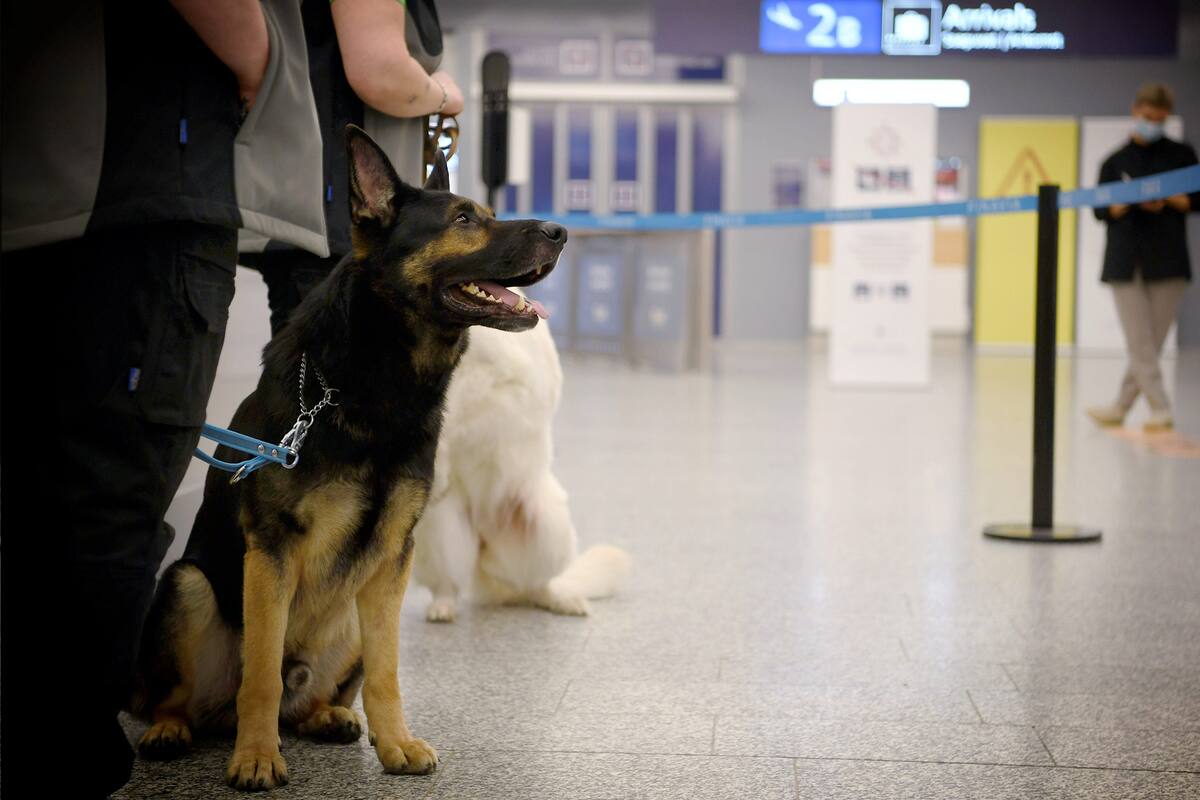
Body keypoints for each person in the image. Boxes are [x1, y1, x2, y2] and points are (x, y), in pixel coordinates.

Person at [0, 2, 325, 796]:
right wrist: (256, 58)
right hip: (143, 180)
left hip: (57, 183)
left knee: (40, 497)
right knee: (108, 496)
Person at [244, 0, 465, 336]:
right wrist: (445, 94)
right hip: (336, 230)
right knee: (329, 378)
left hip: (324, 218)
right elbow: (379, 73)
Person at [1087, 82, 1199, 432]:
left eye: (1160, 119)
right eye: (1148, 116)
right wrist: (1128, 201)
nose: (1153, 123)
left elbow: (1195, 200)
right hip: (1125, 261)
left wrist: (1167, 200)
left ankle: (1120, 407)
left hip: (1167, 261)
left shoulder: (1182, 155)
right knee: (1140, 340)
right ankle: (1160, 408)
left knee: (1150, 341)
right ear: (1136, 110)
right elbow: (1100, 210)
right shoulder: (1114, 162)